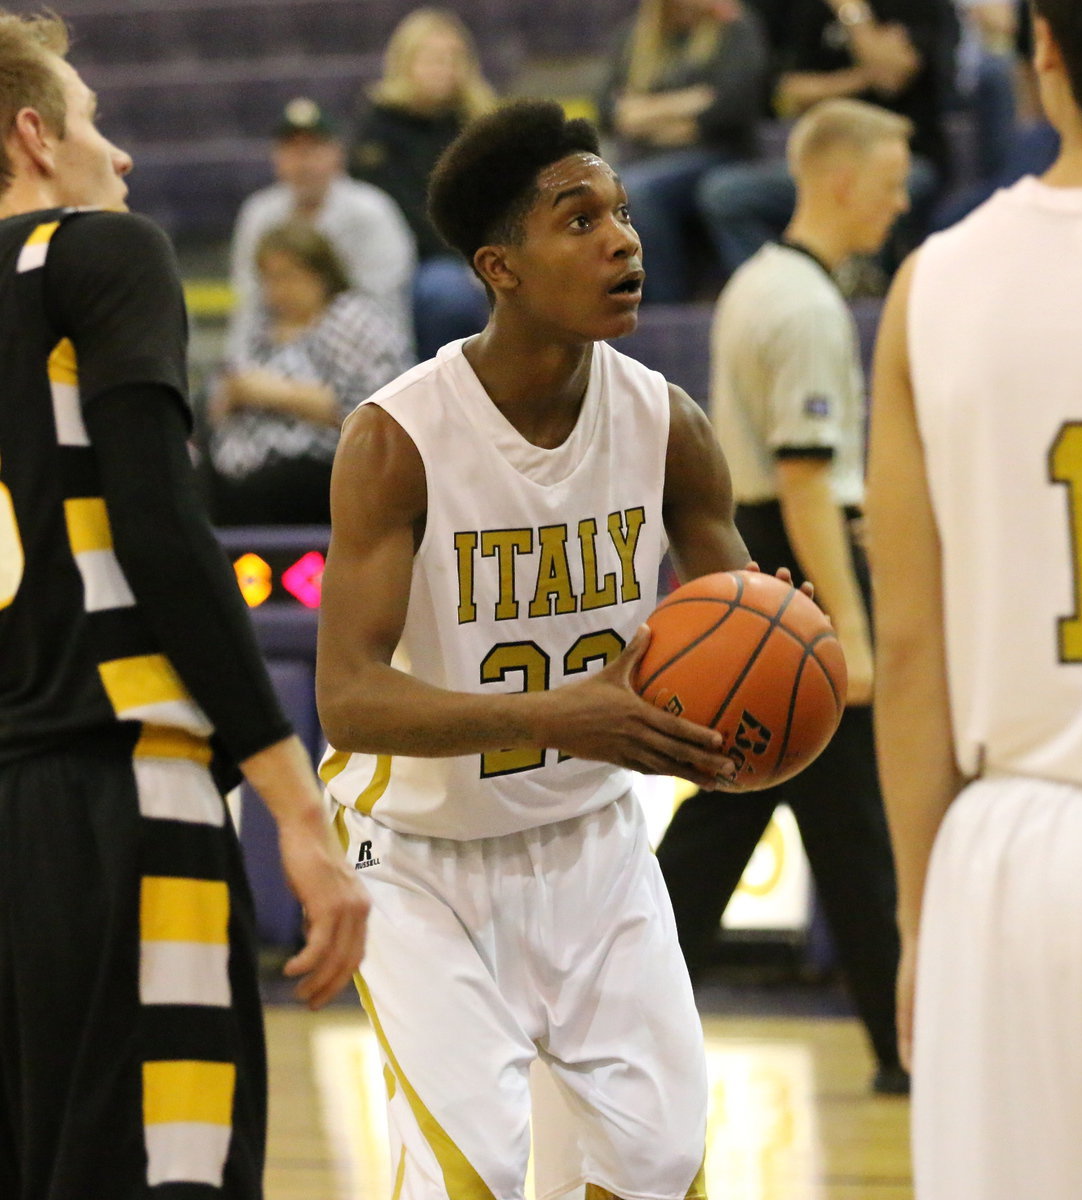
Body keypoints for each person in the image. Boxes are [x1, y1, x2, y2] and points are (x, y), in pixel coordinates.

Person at [315, 98, 784, 1200]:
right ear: (501, 268)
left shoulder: (670, 424)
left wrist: (777, 650)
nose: (621, 238)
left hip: (592, 843)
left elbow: (742, 627)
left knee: (660, 1164)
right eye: (580, 220)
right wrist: (554, 715)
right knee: (474, 1169)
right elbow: (346, 700)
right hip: (416, 853)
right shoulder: (397, 437)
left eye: (621, 212)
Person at [0, 12, 368, 1197]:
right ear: (32, 136)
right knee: (168, 1170)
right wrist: (296, 806)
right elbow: (161, 528)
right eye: (95, 122)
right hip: (120, 779)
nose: (119, 155)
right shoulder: (97, 252)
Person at [866, 0, 1082, 1194]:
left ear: (1043, 48)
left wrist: (920, 918)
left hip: (1009, 859)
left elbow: (909, 645)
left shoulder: (933, 284)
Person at [655, 98, 911, 1096]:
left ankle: (614, 996)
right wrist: (850, 635)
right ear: (840, 178)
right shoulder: (804, 306)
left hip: (759, 569)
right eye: (888, 182)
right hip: (797, 577)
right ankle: (904, 1046)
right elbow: (805, 479)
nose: (899, 202)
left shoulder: (757, 282)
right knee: (851, 831)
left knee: (734, 815)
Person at [697, 0, 957, 274]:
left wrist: (851, 11)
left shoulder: (917, 6)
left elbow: (892, 78)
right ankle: (788, 283)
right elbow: (786, 94)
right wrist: (866, 73)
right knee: (725, 193)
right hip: (823, 159)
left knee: (869, 186)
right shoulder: (807, 9)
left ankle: (860, 288)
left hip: (905, 158)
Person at [205, 221, 411, 525]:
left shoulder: (351, 318)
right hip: (240, 461)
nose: (278, 290)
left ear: (321, 274)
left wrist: (276, 393)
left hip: (323, 464)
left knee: (268, 487)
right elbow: (221, 397)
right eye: (269, 279)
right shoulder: (261, 329)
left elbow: (376, 411)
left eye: (287, 276)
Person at [596, 0, 768, 302]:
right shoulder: (635, 36)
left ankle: (668, 307)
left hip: (718, 155)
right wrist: (688, 104)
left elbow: (733, 105)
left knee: (637, 190)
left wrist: (644, 114)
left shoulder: (733, 27)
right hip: (647, 160)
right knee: (604, 186)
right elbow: (608, 111)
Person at [348, 7, 494, 359]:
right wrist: (469, 259)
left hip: (481, 253)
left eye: (453, 59)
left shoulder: (480, 124)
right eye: (432, 59)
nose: (444, 68)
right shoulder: (378, 130)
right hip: (415, 262)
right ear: (405, 63)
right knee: (447, 295)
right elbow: (398, 213)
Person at [228, 96, 416, 364]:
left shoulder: (372, 212)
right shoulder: (259, 213)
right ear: (276, 158)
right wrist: (238, 367)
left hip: (360, 354)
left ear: (337, 153)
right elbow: (249, 301)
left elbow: (382, 307)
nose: (303, 162)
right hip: (278, 352)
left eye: (314, 149)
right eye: (292, 150)